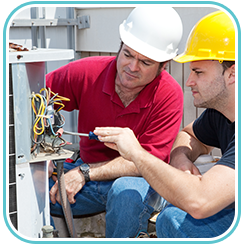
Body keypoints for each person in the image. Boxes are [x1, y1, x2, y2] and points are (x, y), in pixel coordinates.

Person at [94, 9, 240, 238]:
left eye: (198, 72)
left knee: (176, 219)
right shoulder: (221, 114)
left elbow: (201, 202)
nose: (189, 81)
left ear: (233, 73)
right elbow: (190, 135)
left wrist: (136, 152)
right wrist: (181, 160)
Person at [47, 6, 183, 238]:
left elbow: (149, 162)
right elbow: (33, 98)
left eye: (146, 62)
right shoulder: (87, 72)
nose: (131, 67)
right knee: (29, 191)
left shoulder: (169, 95)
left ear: (164, 65)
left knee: (126, 193)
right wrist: (44, 152)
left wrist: (83, 172)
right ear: (119, 46)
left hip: (136, 182)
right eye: (128, 54)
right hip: (84, 181)